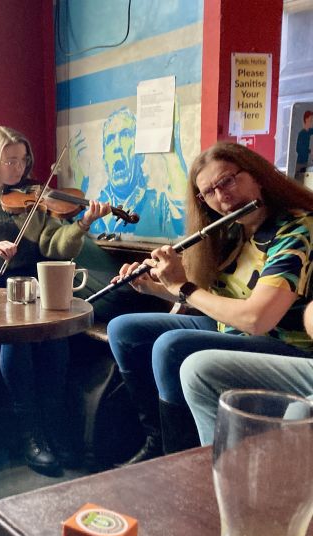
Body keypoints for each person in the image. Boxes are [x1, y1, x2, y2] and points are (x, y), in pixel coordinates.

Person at [107, 141, 313, 465]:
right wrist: (154, 287)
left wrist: (182, 287)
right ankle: (157, 439)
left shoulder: (295, 230)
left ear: (257, 175)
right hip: (231, 327)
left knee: (171, 346)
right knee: (124, 328)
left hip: (283, 342)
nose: (222, 197)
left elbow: (257, 319)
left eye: (228, 181)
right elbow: (217, 300)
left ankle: (180, 460)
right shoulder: (233, 230)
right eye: (210, 192)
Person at [0, 125, 111, 474]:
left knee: (55, 339)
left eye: (23, 160)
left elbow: (56, 247)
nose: (19, 168)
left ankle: (54, 428)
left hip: (34, 285)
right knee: (20, 341)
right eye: (10, 160)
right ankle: (30, 434)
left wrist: (82, 225)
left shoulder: (35, 201)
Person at [180, 299, 313, 445]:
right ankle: (223, 461)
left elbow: (255, 321)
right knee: (198, 368)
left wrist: (186, 289)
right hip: (224, 325)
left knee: (301, 413)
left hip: (278, 339)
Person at [70, 107, 185, 239]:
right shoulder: (96, 206)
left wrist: (173, 156)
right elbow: (72, 237)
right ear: (105, 160)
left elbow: (183, 224)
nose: (117, 146)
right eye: (110, 139)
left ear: (140, 155)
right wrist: (79, 183)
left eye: (125, 135)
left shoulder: (159, 204)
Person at [295, 110, 313, 177]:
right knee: (299, 181)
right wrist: (310, 151)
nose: (312, 121)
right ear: (306, 119)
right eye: (311, 119)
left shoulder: (309, 131)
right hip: (301, 163)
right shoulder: (302, 134)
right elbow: (298, 149)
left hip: (305, 163)